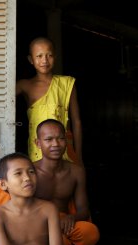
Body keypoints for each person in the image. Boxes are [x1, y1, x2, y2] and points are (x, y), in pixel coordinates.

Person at [33, 118, 119, 245]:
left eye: (60, 138)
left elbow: (83, 209)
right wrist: (50, 223)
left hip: (66, 222)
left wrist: (71, 217)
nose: (56, 144)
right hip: (40, 224)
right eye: (49, 139)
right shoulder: (30, 171)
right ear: (38, 143)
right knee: (61, 244)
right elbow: (23, 208)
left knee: (90, 232)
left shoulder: (76, 171)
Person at [16, 36, 83, 165]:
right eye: (39, 56)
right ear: (31, 59)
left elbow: (77, 122)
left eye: (49, 55)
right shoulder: (25, 85)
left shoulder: (67, 83)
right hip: (38, 148)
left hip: (64, 147)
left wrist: (79, 156)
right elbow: (1, 97)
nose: (44, 60)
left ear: (55, 57)